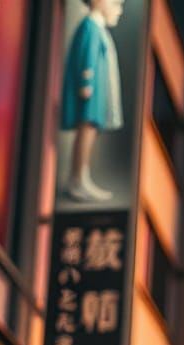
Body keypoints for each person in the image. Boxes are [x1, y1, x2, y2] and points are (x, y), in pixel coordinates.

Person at [61, 0, 125, 201]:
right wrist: (86, 84)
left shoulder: (97, 28)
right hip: (91, 93)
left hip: (98, 92)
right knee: (86, 129)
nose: (118, 9)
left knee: (91, 130)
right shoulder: (90, 26)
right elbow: (87, 56)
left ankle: (82, 176)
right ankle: (78, 178)